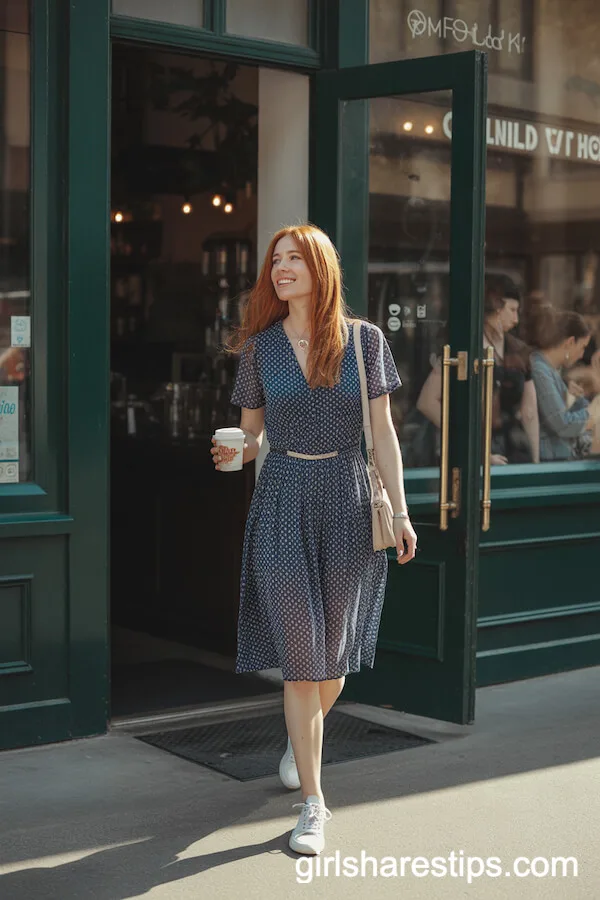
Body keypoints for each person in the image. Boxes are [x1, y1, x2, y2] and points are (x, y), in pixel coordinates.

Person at [210, 224, 417, 856]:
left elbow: (382, 434)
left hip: (350, 499)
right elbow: (249, 439)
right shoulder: (260, 350)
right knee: (303, 655)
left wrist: (403, 514)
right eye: (276, 261)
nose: (281, 269)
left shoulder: (365, 342)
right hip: (282, 499)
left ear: (321, 268)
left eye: (294, 258)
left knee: (333, 655)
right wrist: (230, 453)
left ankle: (303, 741)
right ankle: (313, 803)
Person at [416, 277, 540, 464]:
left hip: (513, 449)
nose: (516, 319)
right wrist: (473, 449)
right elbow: (427, 402)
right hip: (474, 451)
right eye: (512, 310)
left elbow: (530, 410)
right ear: (495, 309)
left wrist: (535, 464)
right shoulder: (463, 348)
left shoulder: (518, 351)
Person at [528, 306, 595, 461]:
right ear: (570, 342)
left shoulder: (550, 370)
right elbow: (563, 424)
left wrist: (579, 401)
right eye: (582, 347)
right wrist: (592, 413)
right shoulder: (540, 370)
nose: (582, 355)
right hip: (550, 462)